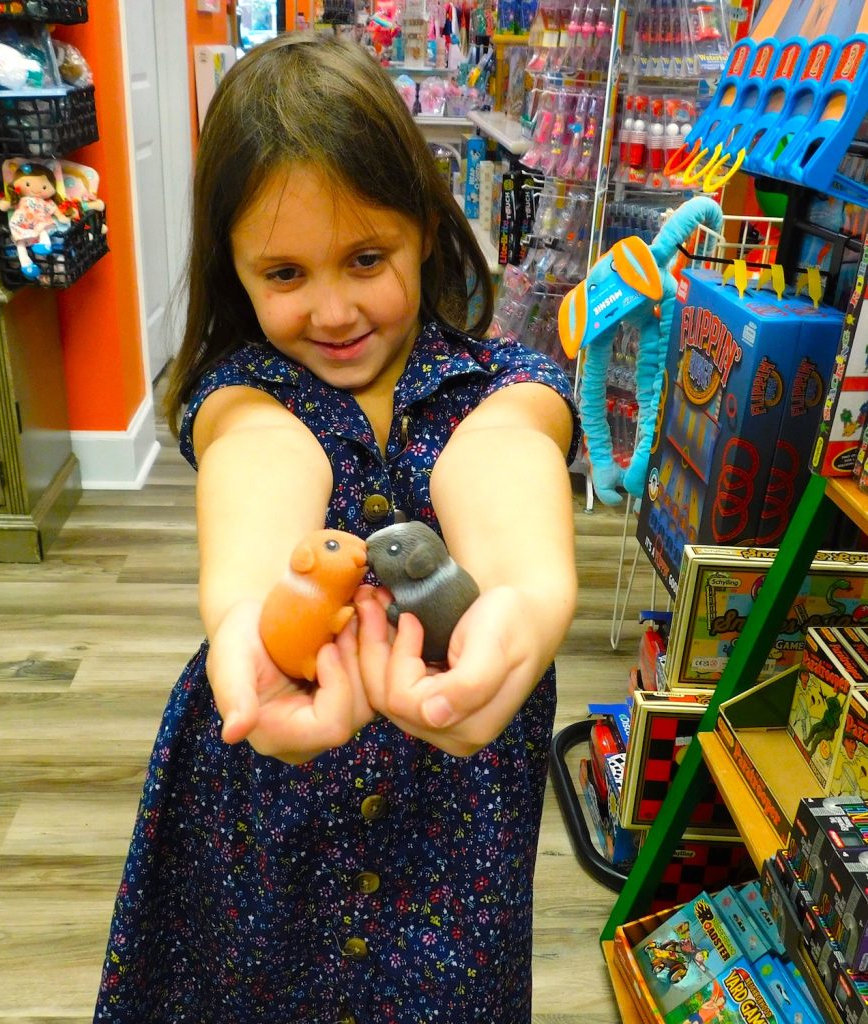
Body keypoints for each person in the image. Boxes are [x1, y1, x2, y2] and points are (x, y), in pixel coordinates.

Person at [94, 32, 580, 1024]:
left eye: (367, 258)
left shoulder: (506, 389)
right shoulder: (245, 396)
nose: (333, 308)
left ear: (427, 231)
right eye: (284, 273)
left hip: (454, 815)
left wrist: (524, 601)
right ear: (233, 269)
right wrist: (246, 619)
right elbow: (259, 468)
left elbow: (502, 456)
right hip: (265, 798)